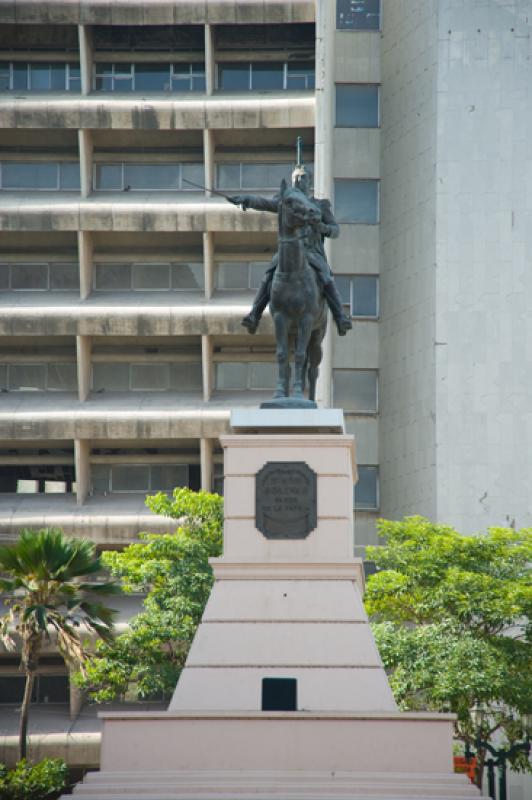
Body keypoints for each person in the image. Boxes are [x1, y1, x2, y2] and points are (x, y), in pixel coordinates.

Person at [228, 166, 353, 336]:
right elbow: (265, 203)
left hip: (312, 252)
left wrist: (322, 227)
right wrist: (247, 199)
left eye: (302, 178)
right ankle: (254, 314)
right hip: (289, 250)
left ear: (309, 182)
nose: (298, 182)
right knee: (270, 273)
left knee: (324, 276)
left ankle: (340, 317)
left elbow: (335, 230)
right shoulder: (286, 201)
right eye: (295, 178)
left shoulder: (319, 205)